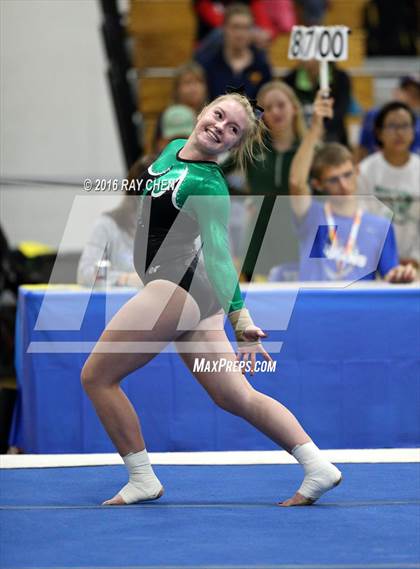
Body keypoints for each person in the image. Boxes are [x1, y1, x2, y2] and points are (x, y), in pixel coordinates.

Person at [81, 91, 342, 508]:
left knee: (96, 377)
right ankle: (317, 465)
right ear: (203, 111)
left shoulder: (209, 185)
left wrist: (242, 323)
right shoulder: (168, 152)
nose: (220, 127)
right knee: (234, 396)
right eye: (219, 115)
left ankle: (141, 477)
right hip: (191, 294)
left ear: (232, 147)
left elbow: (220, 257)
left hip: (175, 287)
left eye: (232, 130)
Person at [288, 91, 416, 283]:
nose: (344, 185)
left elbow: (390, 273)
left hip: (359, 311)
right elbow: (297, 183)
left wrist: (400, 275)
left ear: (357, 171)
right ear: (318, 184)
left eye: (347, 175)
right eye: (333, 180)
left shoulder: (381, 225)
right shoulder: (312, 215)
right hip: (315, 309)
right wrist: (314, 130)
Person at [226, 80, 305, 280]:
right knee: (257, 300)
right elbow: (216, 173)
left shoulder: (309, 149)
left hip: (299, 235)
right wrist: (244, 196)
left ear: (294, 108)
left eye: (281, 105)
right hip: (260, 236)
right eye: (268, 108)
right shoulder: (252, 148)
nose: (275, 111)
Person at [358, 101, 420, 268]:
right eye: (392, 126)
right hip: (372, 263)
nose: (399, 132)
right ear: (379, 133)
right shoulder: (364, 171)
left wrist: (415, 259)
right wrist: (384, 261)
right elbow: (362, 221)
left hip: (415, 265)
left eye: (405, 126)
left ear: (414, 132)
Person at [195, 3, 272, 101]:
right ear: (224, 28)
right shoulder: (207, 63)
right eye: (235, 27)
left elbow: (264, 104)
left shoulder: (261, 65)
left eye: (245, 28)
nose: (240, 34)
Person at [283, 59, 352, 146]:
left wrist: (320, 129)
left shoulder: (340, 77)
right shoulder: (290, 79)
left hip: (331, 134)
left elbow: (341, 110)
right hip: (299, 134)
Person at [355, 75, 420, 162]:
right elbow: (361, 148)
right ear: (396, 91)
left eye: (415, 95)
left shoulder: (417, 126)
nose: (409, 97)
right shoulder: (372, 116)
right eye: (406, 91)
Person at [153, 62, 208, 152]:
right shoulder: (166, 116)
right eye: (188, 82)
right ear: (177, 89)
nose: (194, 88)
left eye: (199, 82)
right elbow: (157, 149)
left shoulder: (211, 116)